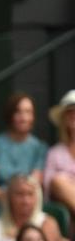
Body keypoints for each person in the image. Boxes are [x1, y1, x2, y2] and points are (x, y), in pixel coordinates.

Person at [0, 91, 46, 216]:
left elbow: (35, 181)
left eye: (28, 112)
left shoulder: (40, 148)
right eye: (18, 112)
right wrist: (3, 196)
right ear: (10, 115)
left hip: (27, 202)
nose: (24, 117)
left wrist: (20, 197)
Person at [42, 91, 75, 222]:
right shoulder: (54, 153)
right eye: (69, 112)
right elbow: (49, 187)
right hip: (66, 212)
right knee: (58, 181)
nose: (73, 115)